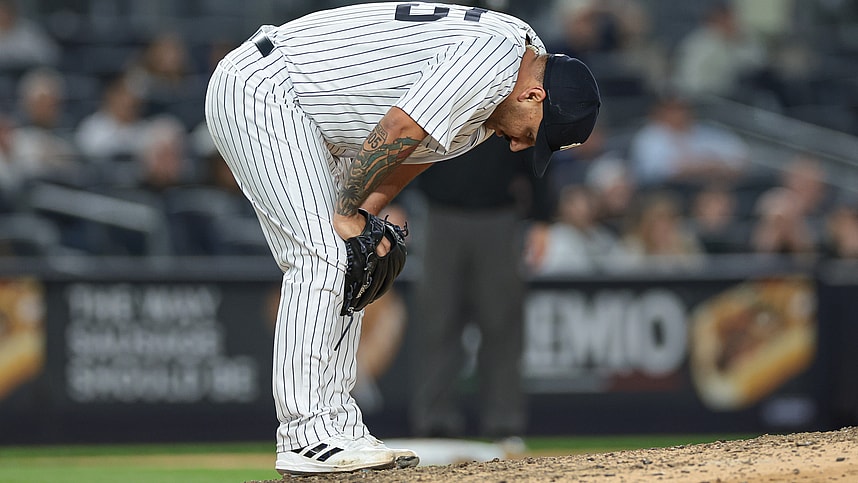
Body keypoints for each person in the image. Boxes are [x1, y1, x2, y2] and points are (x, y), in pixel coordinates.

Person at [204, 2, 600, 476]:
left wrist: (363, 222)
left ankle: (337, 425)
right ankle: (305, 435)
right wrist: (345, 214)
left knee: (354, 260)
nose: (520, 146)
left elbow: (411, 153)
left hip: (312, 120)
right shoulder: (494, 60)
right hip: (267, 90)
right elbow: (400, 128)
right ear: (534, 95)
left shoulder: (494, 100)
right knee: (322, 258)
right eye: (532, 136)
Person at [409, 136, 552, 441]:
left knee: (503, 324)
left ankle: (505, 422)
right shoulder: (436, 91)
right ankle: (435, 421)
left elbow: (535, 143)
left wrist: (542, 217)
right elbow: (408, 140)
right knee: (437, 322)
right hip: (439, 214)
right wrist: (393, 202)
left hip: (499, 215)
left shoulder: (509, 89)